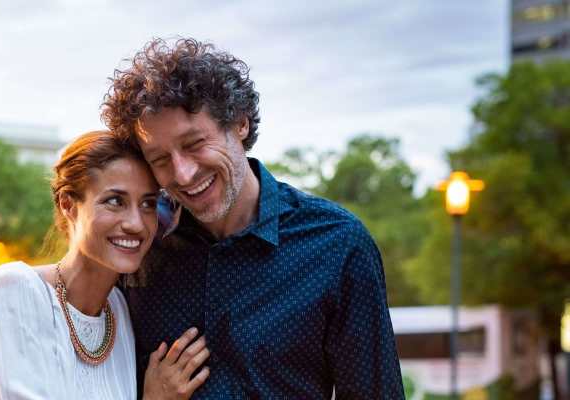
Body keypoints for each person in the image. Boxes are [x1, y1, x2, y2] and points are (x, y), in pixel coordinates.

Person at [102, 38, 405, 398]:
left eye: (195, 143)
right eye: (160, 159)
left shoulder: (338, 245)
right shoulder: (139, 250)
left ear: (240, 123)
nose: (182, 174)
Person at [0, 131, 209, 399]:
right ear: (68, 205)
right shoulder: (14, 288)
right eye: (115, 201)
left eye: (147, 204)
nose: (136, 223)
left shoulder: (117, 308)